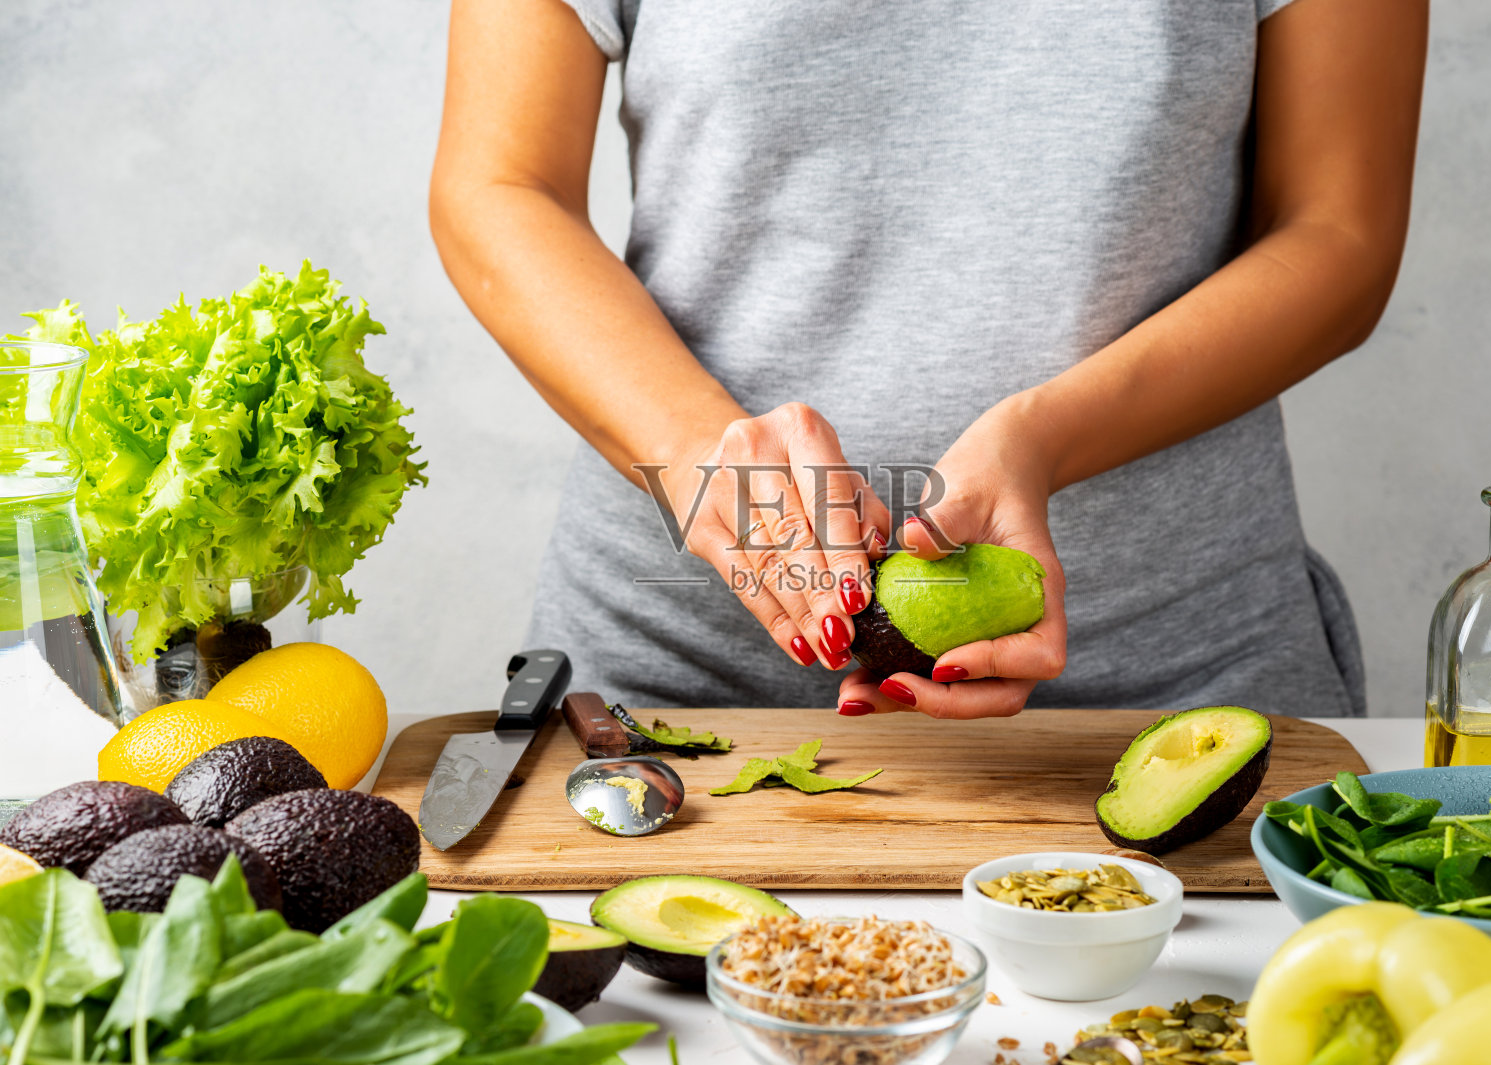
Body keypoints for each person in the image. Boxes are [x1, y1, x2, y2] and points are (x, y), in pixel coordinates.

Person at [430, 0, 1428, 719]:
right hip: (671, 685)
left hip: (1178, 683)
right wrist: (699, 454)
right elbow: (499, 185)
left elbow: (1338, 232)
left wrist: (1045, 437)